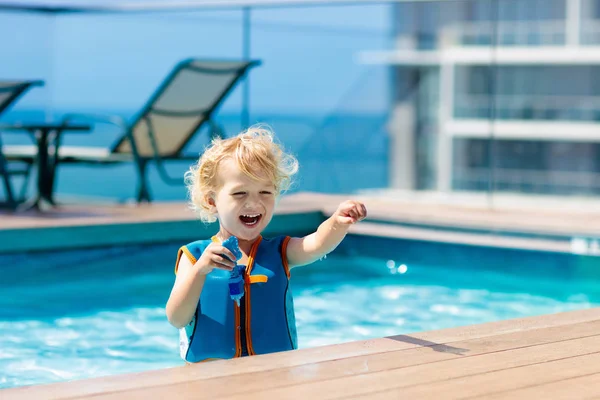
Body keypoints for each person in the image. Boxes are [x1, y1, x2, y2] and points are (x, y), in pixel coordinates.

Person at [165, 125, 367, 363]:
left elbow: (317, 244)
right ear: (212, 201)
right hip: (212, 379)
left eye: (265, 192)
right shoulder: (194, 257)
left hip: (273, 375)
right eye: (240, 194)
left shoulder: (281, 252)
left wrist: (337, 222)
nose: (254, 202)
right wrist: (200, 270)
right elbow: (177, 317)